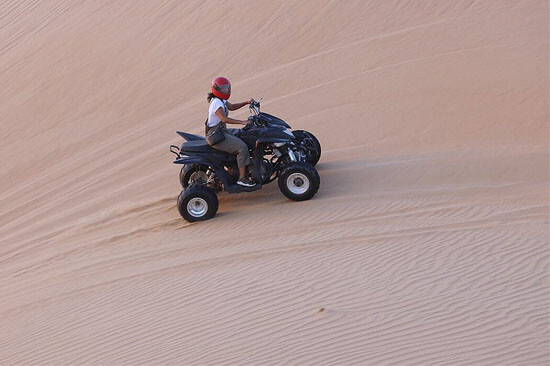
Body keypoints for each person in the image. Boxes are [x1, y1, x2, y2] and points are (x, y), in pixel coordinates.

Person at [206, 76, 256, 187]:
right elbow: (224, 119)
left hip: (222, 131)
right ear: (216, 89)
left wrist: (247, 102)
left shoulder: (221, 100)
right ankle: (242, 178)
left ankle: (235, 167)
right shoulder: (216, 103)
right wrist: (242, 122)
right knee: (242, 147)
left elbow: (232, 107)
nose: (225, 91)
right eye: (223, 89)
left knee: (243, 134)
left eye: (226, 88)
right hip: (216, 136)